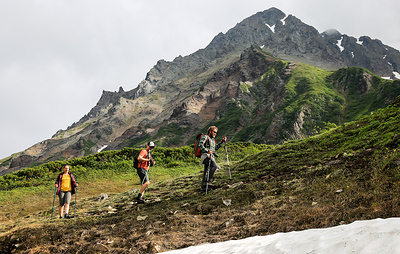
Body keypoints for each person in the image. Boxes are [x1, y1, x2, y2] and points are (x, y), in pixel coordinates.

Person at [199, 126, 227, 192]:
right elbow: (200, 145)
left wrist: (222, 142)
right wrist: (207, 150)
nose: (215, 133)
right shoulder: (205, 137)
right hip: (205, 155)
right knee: (214, 166)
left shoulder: (212, 140)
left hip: (210, 156)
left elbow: (215, 148)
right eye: (214, 132)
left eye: (216, 132)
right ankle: (207, 182)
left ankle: (203, 187)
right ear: (210, 131)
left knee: (206, 170)